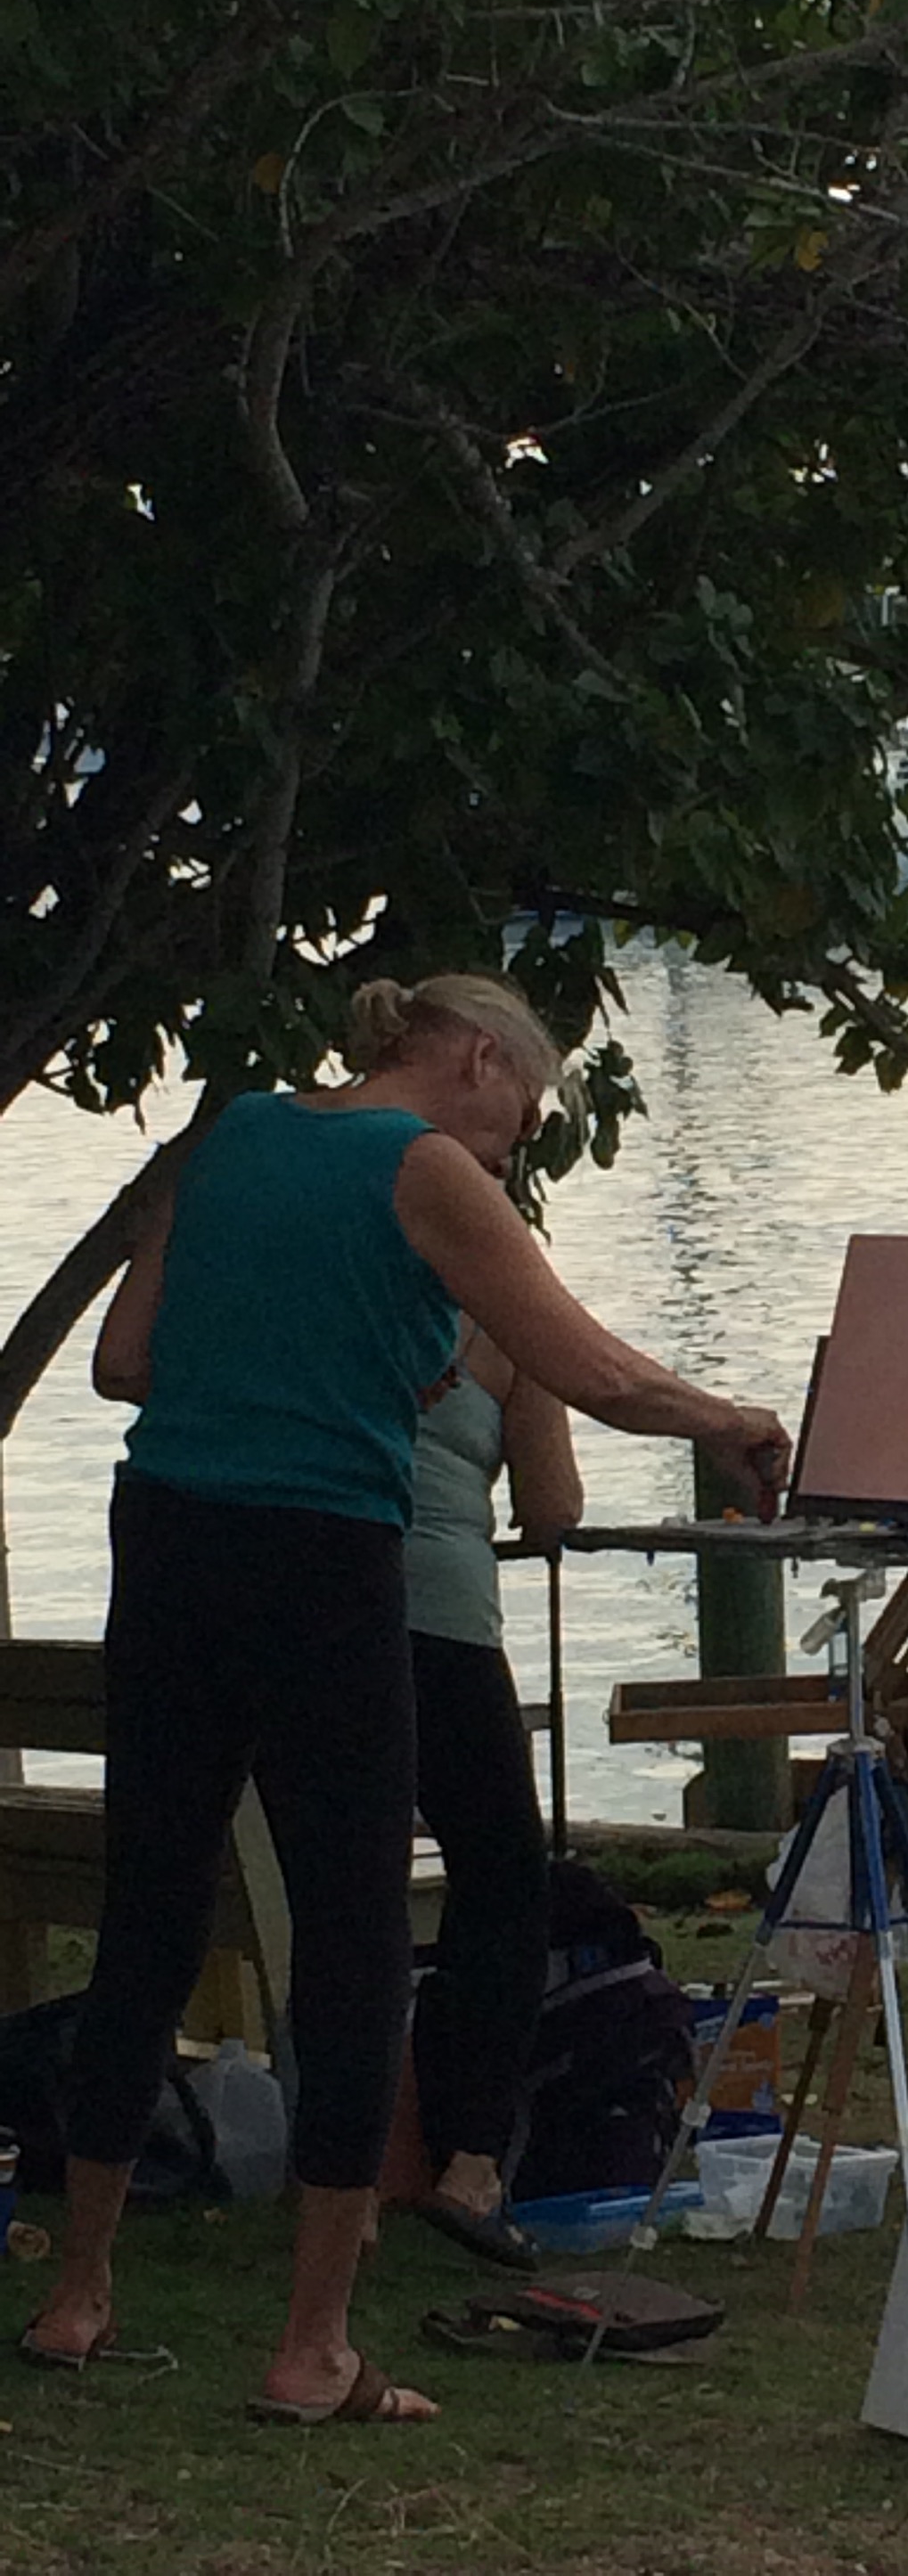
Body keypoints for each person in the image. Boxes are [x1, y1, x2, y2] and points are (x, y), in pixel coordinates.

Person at [24, 974, 789, 2423]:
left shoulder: (237, 1135)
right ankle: (313, 2347)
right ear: (478, 1059)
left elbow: (129, 1362)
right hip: (322, 1553)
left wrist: (317, 1359)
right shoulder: (425, 1167)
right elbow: (585, 1366)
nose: (517, 1147)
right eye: (529, 1114)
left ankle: (77, 2298)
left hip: (166, 1536)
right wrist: (728, 1418)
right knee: (356, 1929)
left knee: (151, 1913)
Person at [403, 1328, 582, 2270]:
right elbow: (552, 1510)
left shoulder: (340, 1283)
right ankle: (470, 2163)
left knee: (344, 1886)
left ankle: (354, 2166)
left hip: (306, 1614)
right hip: (442, 1625)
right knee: (507, 1881)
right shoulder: (505, 1322)